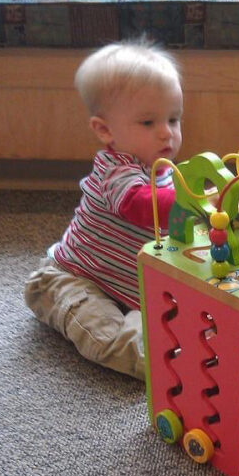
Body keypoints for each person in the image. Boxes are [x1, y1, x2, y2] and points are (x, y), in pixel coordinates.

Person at [24, 39, 183, 380]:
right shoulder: (114, 169)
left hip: (129, 286)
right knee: (114, 341)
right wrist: (194, 202)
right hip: (72, 279)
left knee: (191, 317)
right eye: (148, 123)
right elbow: (144, 209)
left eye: (173, 119)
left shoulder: (165, 172)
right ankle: (170, 367)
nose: (166, 133)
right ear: (104, 130)